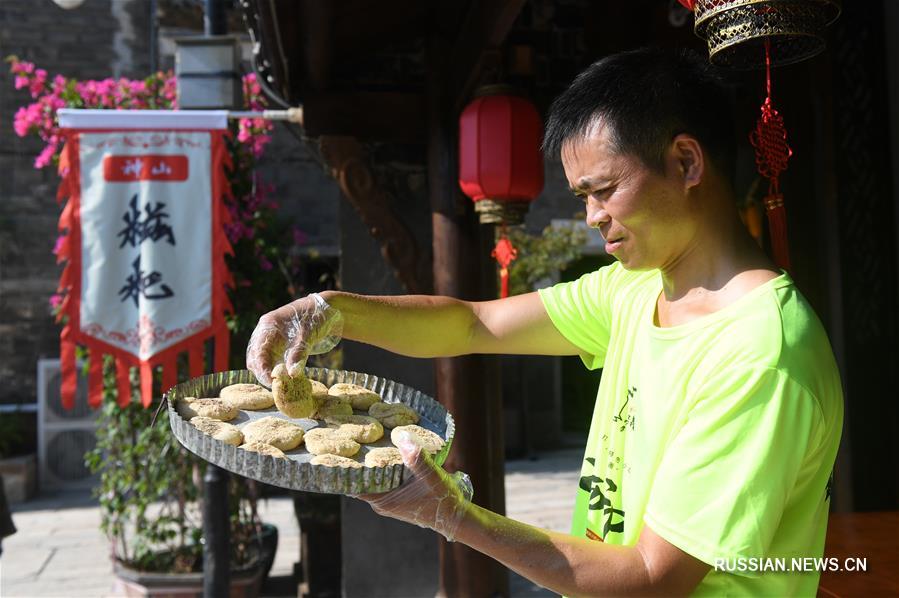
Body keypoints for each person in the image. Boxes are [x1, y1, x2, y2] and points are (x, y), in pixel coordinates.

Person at [246, 48, 843, 596]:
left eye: (602, 190)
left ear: (686, 162)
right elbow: (473, 325)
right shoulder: (635, 288)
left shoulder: (762, 353)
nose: (590, 217)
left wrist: (455, 516)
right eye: (582, 197)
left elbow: (652, 578)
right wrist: (329, 311)